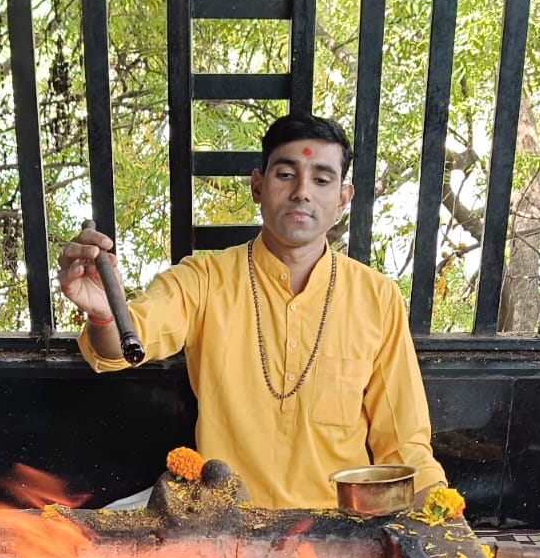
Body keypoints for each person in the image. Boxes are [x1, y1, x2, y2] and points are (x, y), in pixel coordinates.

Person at [57, 113, 446, 510]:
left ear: (344, 199)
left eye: (322, 179)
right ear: (258, 186)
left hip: (337, 532)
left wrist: (442, 521)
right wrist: (106, 314)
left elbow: (404, 445)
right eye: (286, 175)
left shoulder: (377, 298)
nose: (302, 192)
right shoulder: (203, 279)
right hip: (222, 525)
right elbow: (127, 343)